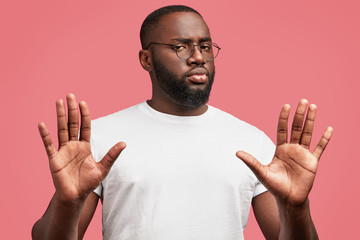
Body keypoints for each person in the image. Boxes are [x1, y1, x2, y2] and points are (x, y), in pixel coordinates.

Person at [32, 5, 333, 240]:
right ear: (146, 59)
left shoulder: (252, 142)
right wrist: (66, 201)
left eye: (205, 46)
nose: (198, 57)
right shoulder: (99, 139)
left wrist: (297, 208)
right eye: (181, 46)